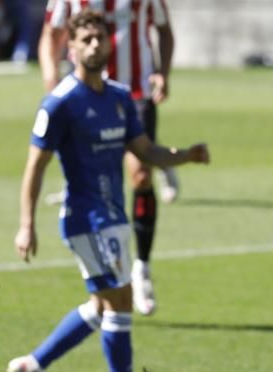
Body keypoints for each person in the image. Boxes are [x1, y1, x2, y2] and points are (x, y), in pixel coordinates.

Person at [8, 9, 209, 372]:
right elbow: (35, 167)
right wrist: (26, 224)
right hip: (85, 219)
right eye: (87, 39)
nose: (96, 45)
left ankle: (33, 364)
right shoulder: (60, 103)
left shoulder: (119, 97)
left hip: (115, 216)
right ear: (72, 46)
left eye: (102, 37)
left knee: (103, 305)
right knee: (121, 299)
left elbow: (145, 151)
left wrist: (185, 155)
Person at [40, 0, 181, 317]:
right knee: (95, 175)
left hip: (135, 90)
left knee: (140, 175)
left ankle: (141, 268)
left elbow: (164, 28)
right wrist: (51, 79)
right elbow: (51, 33)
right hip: (85, 93)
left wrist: (162, 71)